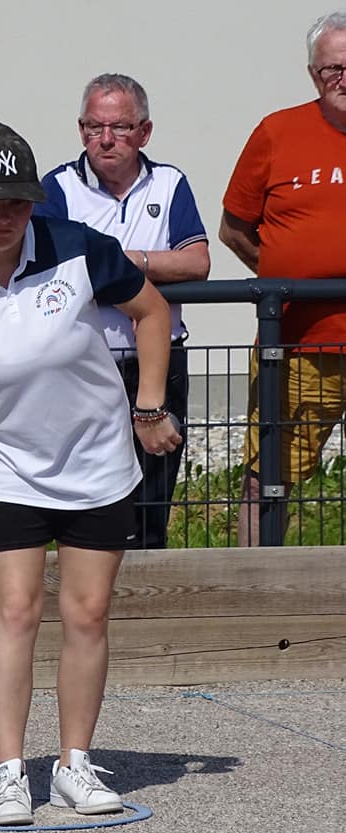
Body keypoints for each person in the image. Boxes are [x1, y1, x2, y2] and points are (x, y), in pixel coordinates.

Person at [0, 120, 179, 826]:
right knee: (17, 612)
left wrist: (148, 405)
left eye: (17, 202)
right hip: (4, 470)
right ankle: (8, 773)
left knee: (87, 614)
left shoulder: (78, 248)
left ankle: (73, 764)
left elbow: (151, 312)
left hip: (96, 461)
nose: (3, 217)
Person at [35, 73, 209, 549]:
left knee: (153, 494)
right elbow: (52, 272)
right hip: (84, 363)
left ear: (144, 132)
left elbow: (197, 263)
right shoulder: (58, 188)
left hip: (162, 360)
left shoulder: (170, 184)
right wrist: (145, 280)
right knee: (87, 492)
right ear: (81, 130)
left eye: (120, 127)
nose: (106, 139)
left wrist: (124, 263)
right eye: (94, 127)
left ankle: (146, 584)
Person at [220, 11, 346, 546]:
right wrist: (285, 277)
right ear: (313, 74)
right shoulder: (277, 132)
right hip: (296, 344)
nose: (342, 79)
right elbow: (234, 230)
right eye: (332, 69)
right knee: (267, 478)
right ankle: (254, 584)